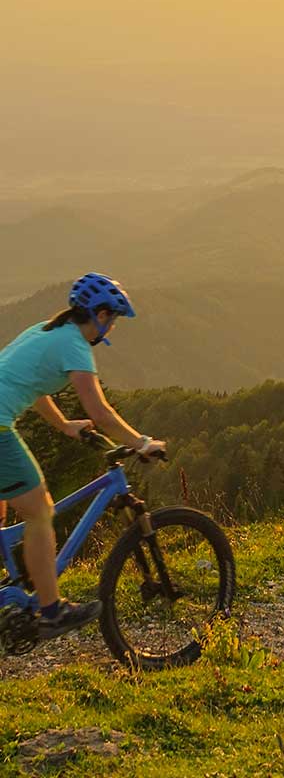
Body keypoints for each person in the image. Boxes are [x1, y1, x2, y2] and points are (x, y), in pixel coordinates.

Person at [0, 273, 165, 640]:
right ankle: (52, 611)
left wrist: (64, 425)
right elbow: (101, 411)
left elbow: (34, 387)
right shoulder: (75, 344)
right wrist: (141, 443)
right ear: (102, 314)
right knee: (40, 510)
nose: (112, 327)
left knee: (9, 506)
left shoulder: (47, 330)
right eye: (114, 319)